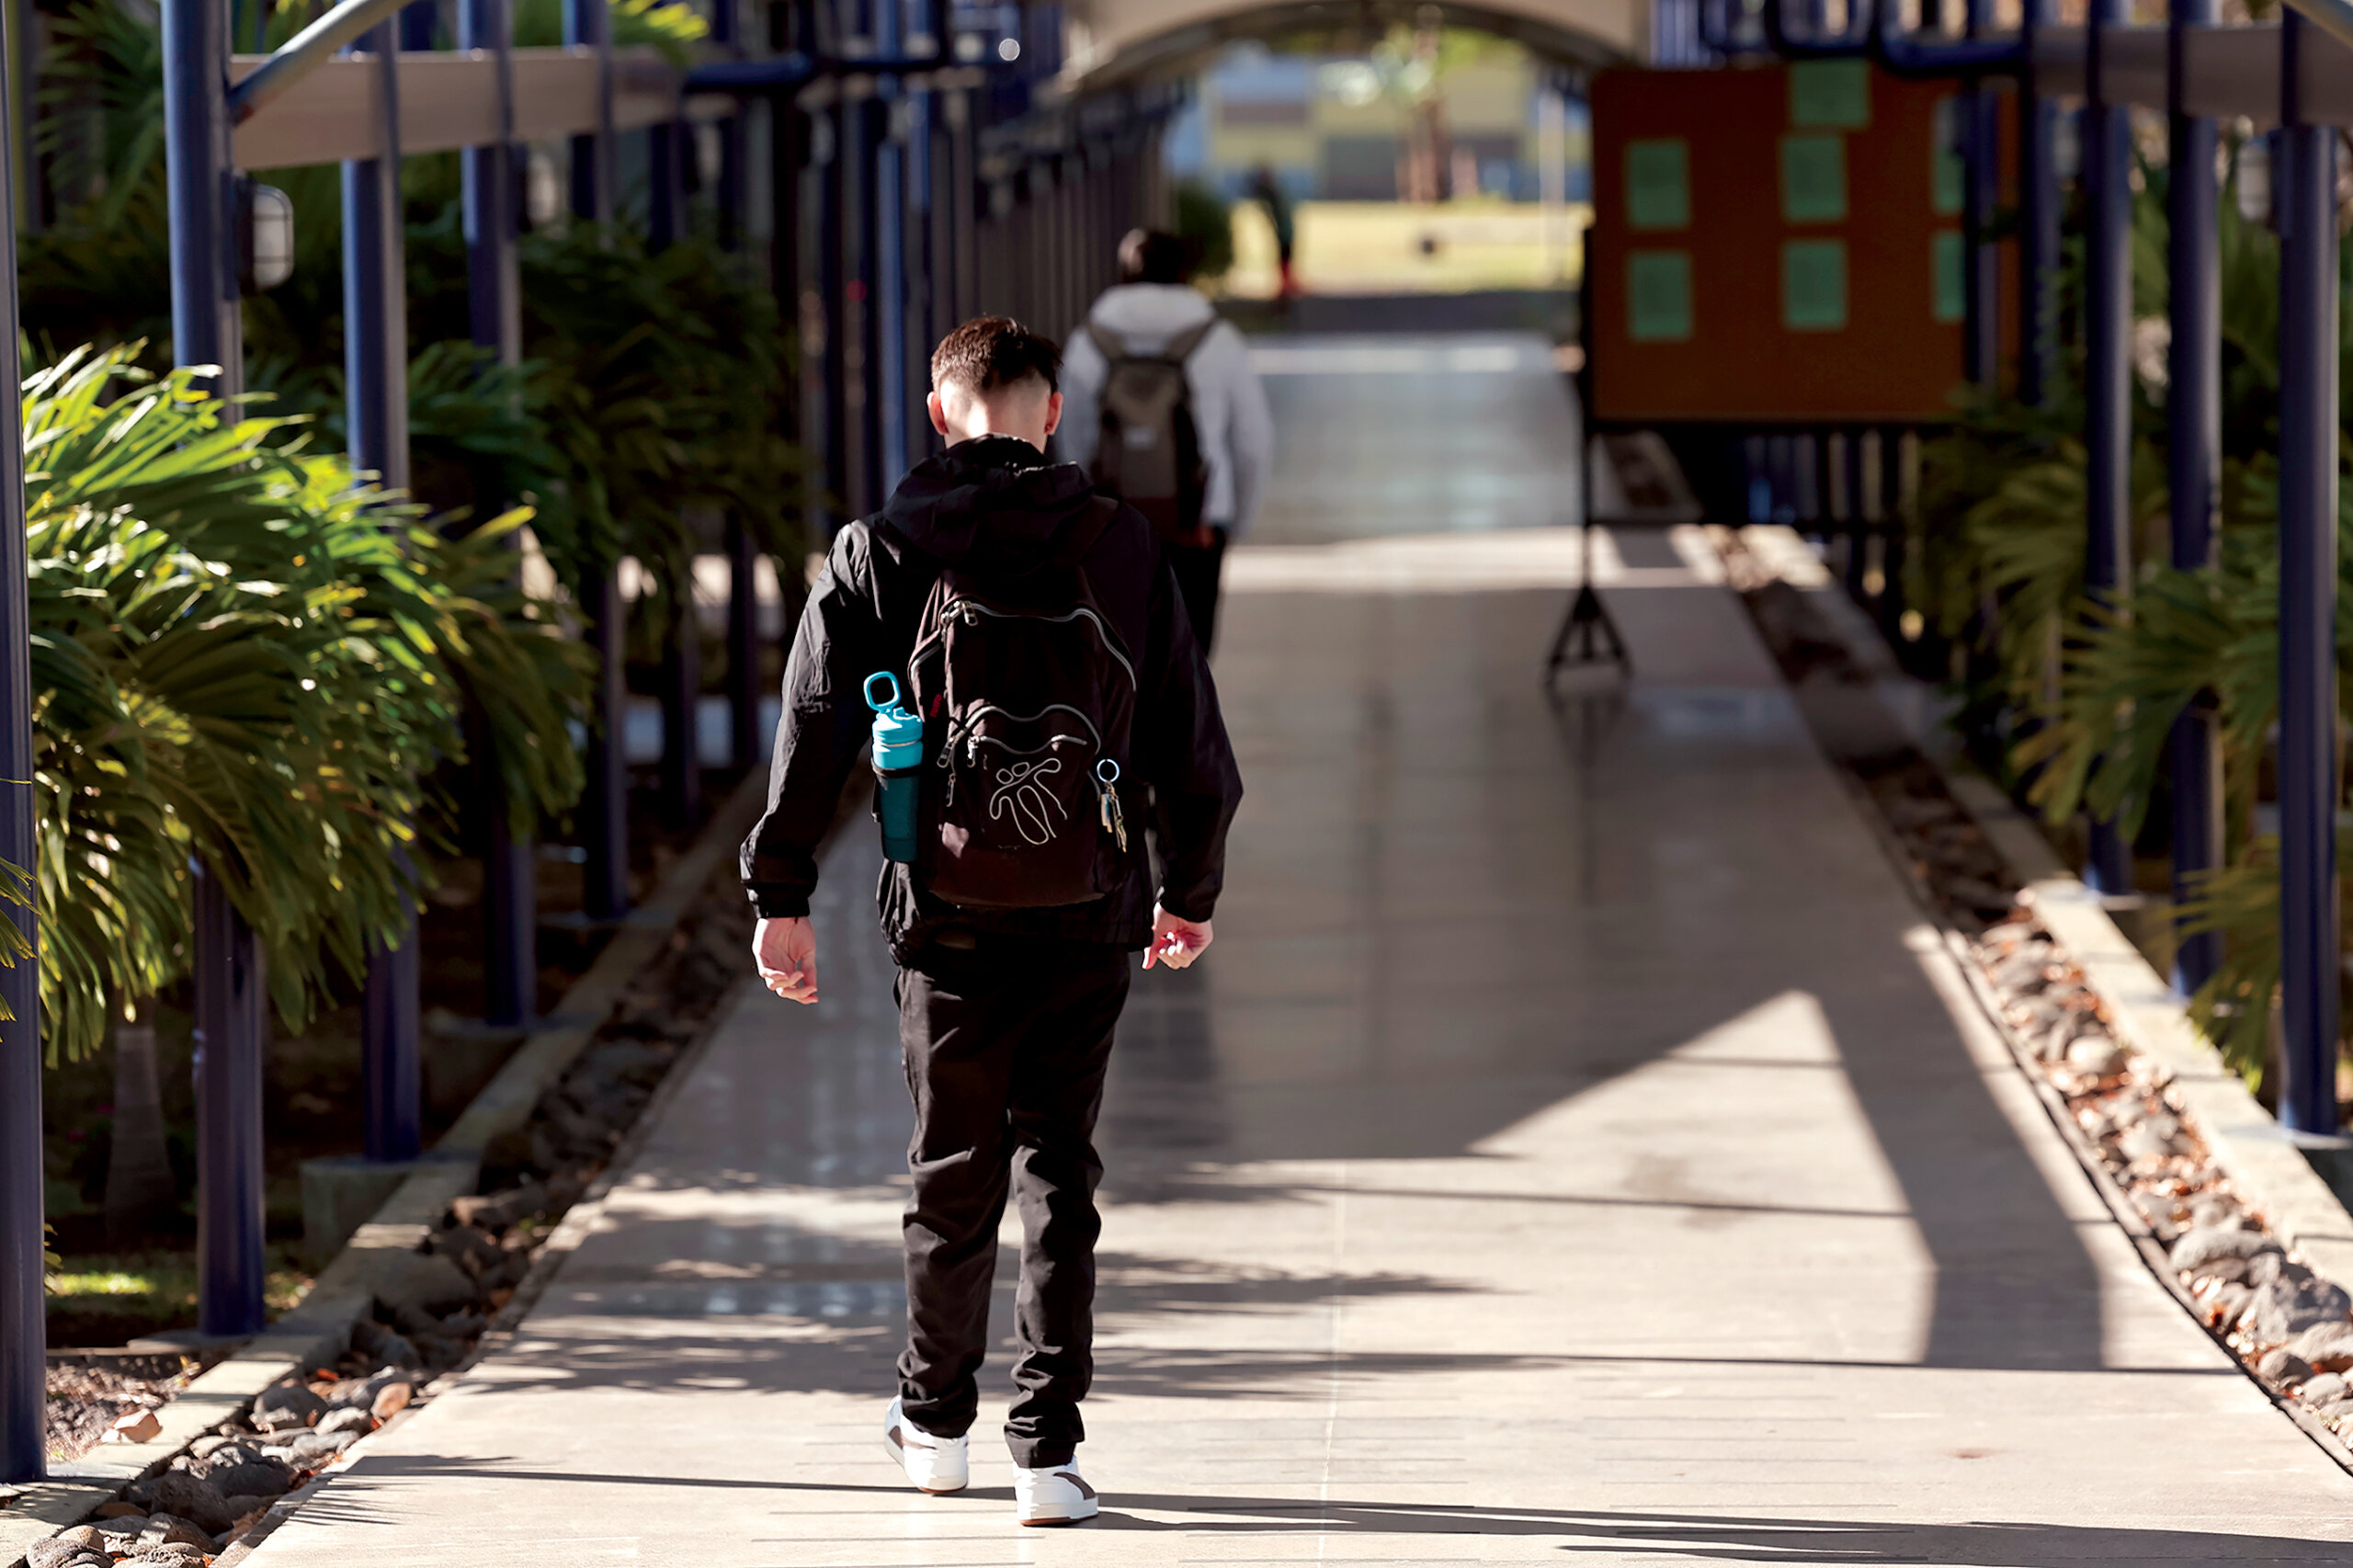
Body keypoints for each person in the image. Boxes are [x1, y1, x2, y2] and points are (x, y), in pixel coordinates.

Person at [741, 317, 1243, 1528]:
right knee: (1058, 1167)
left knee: (952, 1167)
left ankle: (931, 1426)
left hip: (943, 911)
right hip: (1092, 902)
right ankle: (1048, 1453)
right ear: (1052, 412)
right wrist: (1188, 889)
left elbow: (812, 727)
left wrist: (782, 894)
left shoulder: (879, 548)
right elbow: (1190, 738)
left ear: (938, 411)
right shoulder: (1121, 542)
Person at [1059, 229, 1274, 653]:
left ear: (1122, 277)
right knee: (1190, 660)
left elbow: (1071, 439)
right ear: (1183, 275)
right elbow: (1252, 442)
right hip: (1197, 527)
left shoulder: (1088, 343)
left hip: (1112, 528)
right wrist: (1232, 520)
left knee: (1118, 659)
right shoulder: (1218, 340)